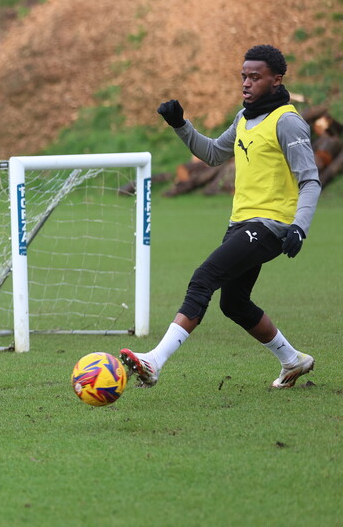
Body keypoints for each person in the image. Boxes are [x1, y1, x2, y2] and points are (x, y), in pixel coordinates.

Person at [120, 44, 320, 390]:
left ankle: (154, 361)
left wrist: (299, 228)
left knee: (203, 278)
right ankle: (293, 359)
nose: (246, 83)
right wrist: (180, 124)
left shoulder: (288, 123)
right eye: (243, 76)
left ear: (276, 80)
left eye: (255, 77)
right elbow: (213, 154)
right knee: (234, 303)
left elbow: (310, 180)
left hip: (271, 227)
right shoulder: (244, 118)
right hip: (240, 225)